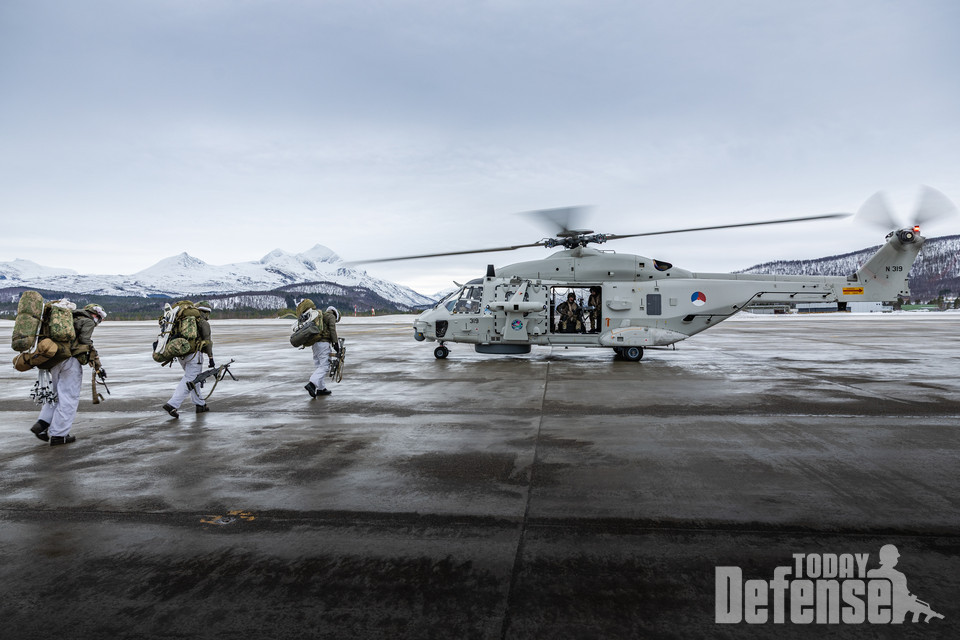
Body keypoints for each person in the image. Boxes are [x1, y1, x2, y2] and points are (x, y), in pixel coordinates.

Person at [30, 303, 107, 446]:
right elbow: (85, 343)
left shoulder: (68, 317)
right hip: (69, 361)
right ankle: (59, 435)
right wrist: (96, 362)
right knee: (69, 397)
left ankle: (42, 424)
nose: (98, 321)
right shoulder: (88, 321)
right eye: (99, 318)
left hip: (53, 359)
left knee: (54, 395)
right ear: (94, 314)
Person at [162, 301, 214, 418]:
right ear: (205, 312)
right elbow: (208, 341)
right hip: (194, 355)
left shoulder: (182, 320)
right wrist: (211, 357)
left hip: (182, 354)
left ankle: (200, 404)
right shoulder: (202, 322)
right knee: (190, 379)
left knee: (194, 379)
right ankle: (172, 404)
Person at [298, 300, 340, 398]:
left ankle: (321, 388)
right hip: (323, 344)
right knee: (325, 366)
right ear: (336, 314)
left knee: (318, 366)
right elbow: (332, 329)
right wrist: (335, 343)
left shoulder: (320, 315)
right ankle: (312, 384)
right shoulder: (331, 316)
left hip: (315, 343)